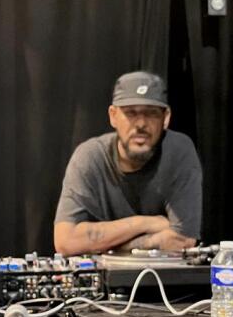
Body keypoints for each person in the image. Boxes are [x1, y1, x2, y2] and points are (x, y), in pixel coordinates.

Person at [54, 71, 202, 255]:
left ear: (166, 118)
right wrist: (145, 223)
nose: (141, 124)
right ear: (113, 116)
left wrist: (104, 246)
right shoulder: (90, 156)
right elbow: (65, 242)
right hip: (105, 274)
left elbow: (183, 240)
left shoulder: (179, 151)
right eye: (130, 113)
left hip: (162, 272)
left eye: (151, 113)